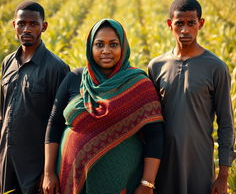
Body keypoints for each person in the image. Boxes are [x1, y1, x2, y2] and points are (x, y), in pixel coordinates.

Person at [42, 19, 164, 194]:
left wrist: (147, 183)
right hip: (71, 178)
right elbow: (54, 124)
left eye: (113, 44)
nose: (106, 51)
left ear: (123, 47)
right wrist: (48, 172)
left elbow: (155, 136)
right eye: (99, 44)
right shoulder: (75, 78)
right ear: (90, 48)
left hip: (120, 179)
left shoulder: (138, 84)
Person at [148, 0, 236, 194]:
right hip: (164, 165)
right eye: (179, 23)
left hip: (199, 165)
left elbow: (226, 124)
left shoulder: (216, 68)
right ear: (170, 24)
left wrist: (223, 177)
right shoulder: (156, 66)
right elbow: (150, 123)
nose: (185, 30)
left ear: (201, 24)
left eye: (191, 23)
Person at [0, 1, 70, 194]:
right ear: (14, 26)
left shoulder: (56, 68)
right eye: (21, 23)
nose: (26, 29)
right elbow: (2, 117)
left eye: (33, 24)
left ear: (44, 26)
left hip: (35, 167)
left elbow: (60, 124)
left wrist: (49, 171)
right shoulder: (8, 62)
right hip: (6, 161)